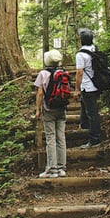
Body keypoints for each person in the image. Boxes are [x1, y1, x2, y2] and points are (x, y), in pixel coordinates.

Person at [34, 49, 67, 178]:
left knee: (50, 138)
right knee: (61, 137)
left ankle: (52, 169)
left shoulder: (43, 73)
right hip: (61, 108)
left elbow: (40, 93)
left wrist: (37, 109)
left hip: (48, 109)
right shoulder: (63, 73)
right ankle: (61, 168)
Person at [75, 28, 102, 148]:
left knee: (92, 113)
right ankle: (84, 126)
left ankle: (95, 139)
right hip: (96, 85)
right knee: (85, 106)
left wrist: (76, 89)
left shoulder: (81, 54)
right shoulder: (95, 49)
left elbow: (79, 72)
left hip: (87, 87)